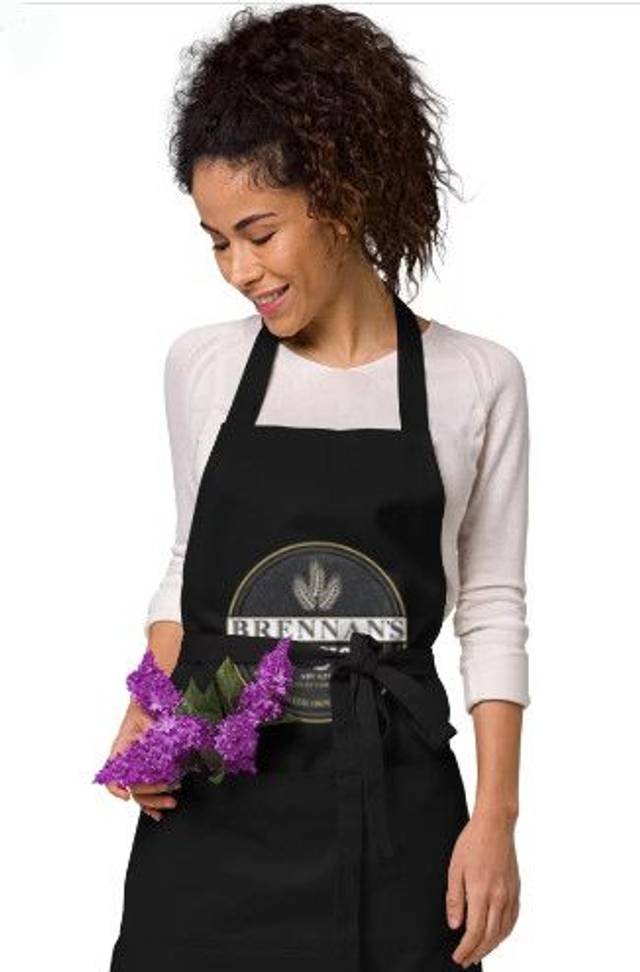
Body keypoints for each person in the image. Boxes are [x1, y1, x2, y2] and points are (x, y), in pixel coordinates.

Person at [104, 5, 529, 971]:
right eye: (217, 241)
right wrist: (155, 701)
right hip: (216, 802)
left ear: (341, 196)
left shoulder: (475, 380)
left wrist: (496, 820)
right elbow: (191, 563)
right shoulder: (204, 367)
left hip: (392, 808)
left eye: (259, 233)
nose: (238, 270)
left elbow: (493, 609)